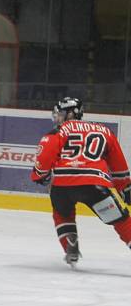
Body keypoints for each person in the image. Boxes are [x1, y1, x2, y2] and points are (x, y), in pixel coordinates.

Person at [31, 97, 131, 267]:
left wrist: (40, 175)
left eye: (61, 114)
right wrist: (125, 188)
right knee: (120, 219)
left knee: (62, 214)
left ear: (71, 113)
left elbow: (46, 151)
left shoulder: (59, 131)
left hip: (62, 185)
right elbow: (118, 166)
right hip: (94, 185)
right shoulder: (104, 131)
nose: (58, 118)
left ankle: (70, 244)